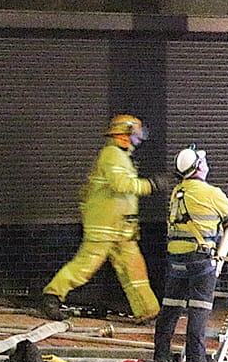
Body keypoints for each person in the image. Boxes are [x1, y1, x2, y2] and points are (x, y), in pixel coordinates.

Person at [40, 115, 163, 321]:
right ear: (124, 133)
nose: (139, 138)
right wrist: (152, 185)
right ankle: (52, 296)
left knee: (135, 271)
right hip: (104, 227)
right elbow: (121, 184)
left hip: (122, 228)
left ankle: (149, 311)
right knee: (85, 266)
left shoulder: (122, 156)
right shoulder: (111, 154)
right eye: (135, 133)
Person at [151, 148, 228, 362]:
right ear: (198, 168)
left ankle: (161, 357)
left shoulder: (178, 192)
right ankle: (196, 360)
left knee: (170, 309)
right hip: (200, 260)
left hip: (176, 260)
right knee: (199, 309)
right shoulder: (210, 193)